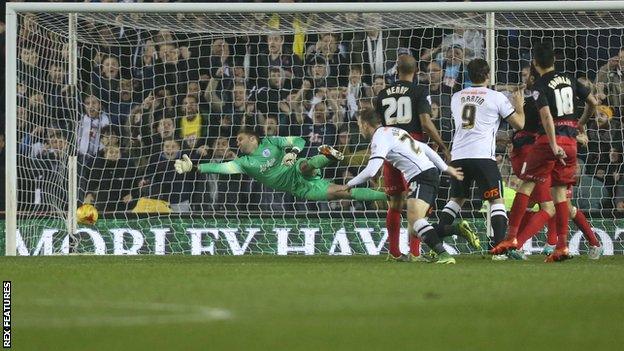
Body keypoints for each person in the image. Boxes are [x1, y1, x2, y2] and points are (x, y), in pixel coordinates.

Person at [492, 42, 599, 262]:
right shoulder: (570, 79)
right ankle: (561, 246)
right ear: (554, 61)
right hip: (570, 143)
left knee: (526, 185)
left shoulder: (540, 85)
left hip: (548, 142)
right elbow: (593, 102)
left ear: (534, 63)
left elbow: (547, 116)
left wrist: (552, 143)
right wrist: (580, 124)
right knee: (560, 195)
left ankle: (512, 239)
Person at [345, 108, 467, 264]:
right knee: (415, 226)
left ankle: (444, 254)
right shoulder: (395, 131)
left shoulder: (379, 137)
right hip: (429, 173)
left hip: (421, 176)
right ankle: (457, 230)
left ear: (365, 124)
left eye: (359, 124)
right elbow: (425, 148)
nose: (359, 128)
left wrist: (349, 183)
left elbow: (372, 170)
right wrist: (445, 168)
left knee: (414, 219)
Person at [435, 58, 525, 259]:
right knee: (496, 200)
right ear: (488, 75)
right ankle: (498, 249)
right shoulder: (496, 97)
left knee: (456, 199)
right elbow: (519, 124)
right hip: (483, 157)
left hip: (458, 156)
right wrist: (519, 106)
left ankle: (436, 243)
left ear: (468, 75)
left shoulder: (456, 97)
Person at [174, 129, 387, 203]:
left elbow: (299, 141)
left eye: (240, 139)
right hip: (299, 188)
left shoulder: (271, 142)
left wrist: (293, 153)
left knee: (304, 165)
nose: (236, 143)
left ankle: (328, 155)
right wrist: (195, 167)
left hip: (297, 168)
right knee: (343, 192)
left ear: (252, 138)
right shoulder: (244, 163)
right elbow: (221, 168)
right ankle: (390, 196)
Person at [375, 54, 450, 261]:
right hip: (412, 149)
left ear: (396, 70)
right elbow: (425, 122)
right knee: (416, 203)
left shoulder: (382, 94)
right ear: (416, 71)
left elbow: (382, 128)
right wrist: (442, 145)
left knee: (395, 204)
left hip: (391, 151)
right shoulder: (419, 91)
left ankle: (393, 252)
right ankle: (415, 253)